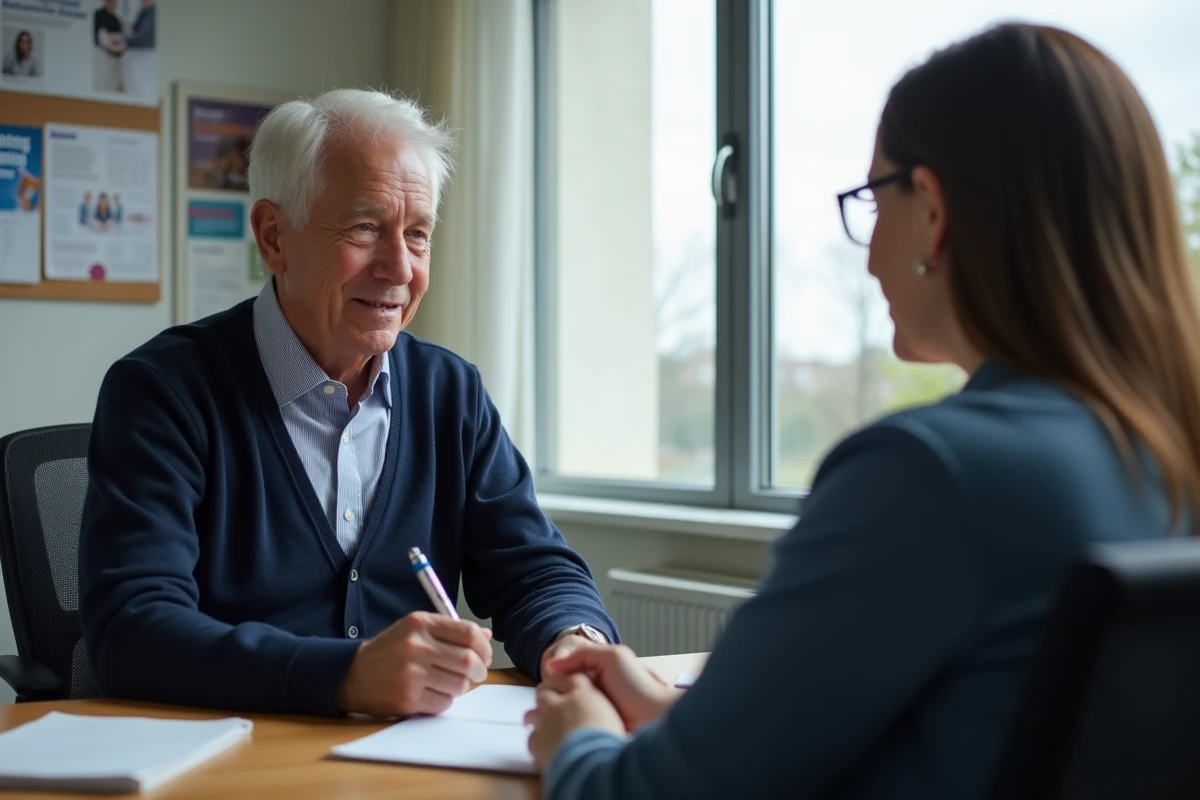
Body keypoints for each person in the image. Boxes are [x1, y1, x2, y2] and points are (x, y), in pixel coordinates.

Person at [525, 22, 1200, 800]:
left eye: (872, 200)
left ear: (934, 212)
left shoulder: (929, 477)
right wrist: (660, 713)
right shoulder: (1163, 460)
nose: (871, 252)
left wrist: (577, 746)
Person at [78, 88, 618, 719]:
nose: (398, 268)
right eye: (365, 227)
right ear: (274, 238)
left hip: (413, 763)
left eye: (417, 235)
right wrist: (349, 676)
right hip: (233, 763)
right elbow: (133, 630)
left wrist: (574, 641)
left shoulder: (451, 392)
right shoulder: (163, 391)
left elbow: (536, 569)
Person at [120, 0, 155, 98]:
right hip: (136, 59)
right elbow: (134, 30)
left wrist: (126, 40)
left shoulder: (152, 12)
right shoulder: (144, 11)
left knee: (139, 90)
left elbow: (143, 39)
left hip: (144, 59)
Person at [93, 0, 124, 93]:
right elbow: (101, 38)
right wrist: (112, 46)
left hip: (117, 58)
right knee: (103, 85)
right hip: (102, 56)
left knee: (114, 86)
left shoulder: (116, 19)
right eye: (111, 1)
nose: (113, 3)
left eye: (115, 2)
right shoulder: (98, 15)